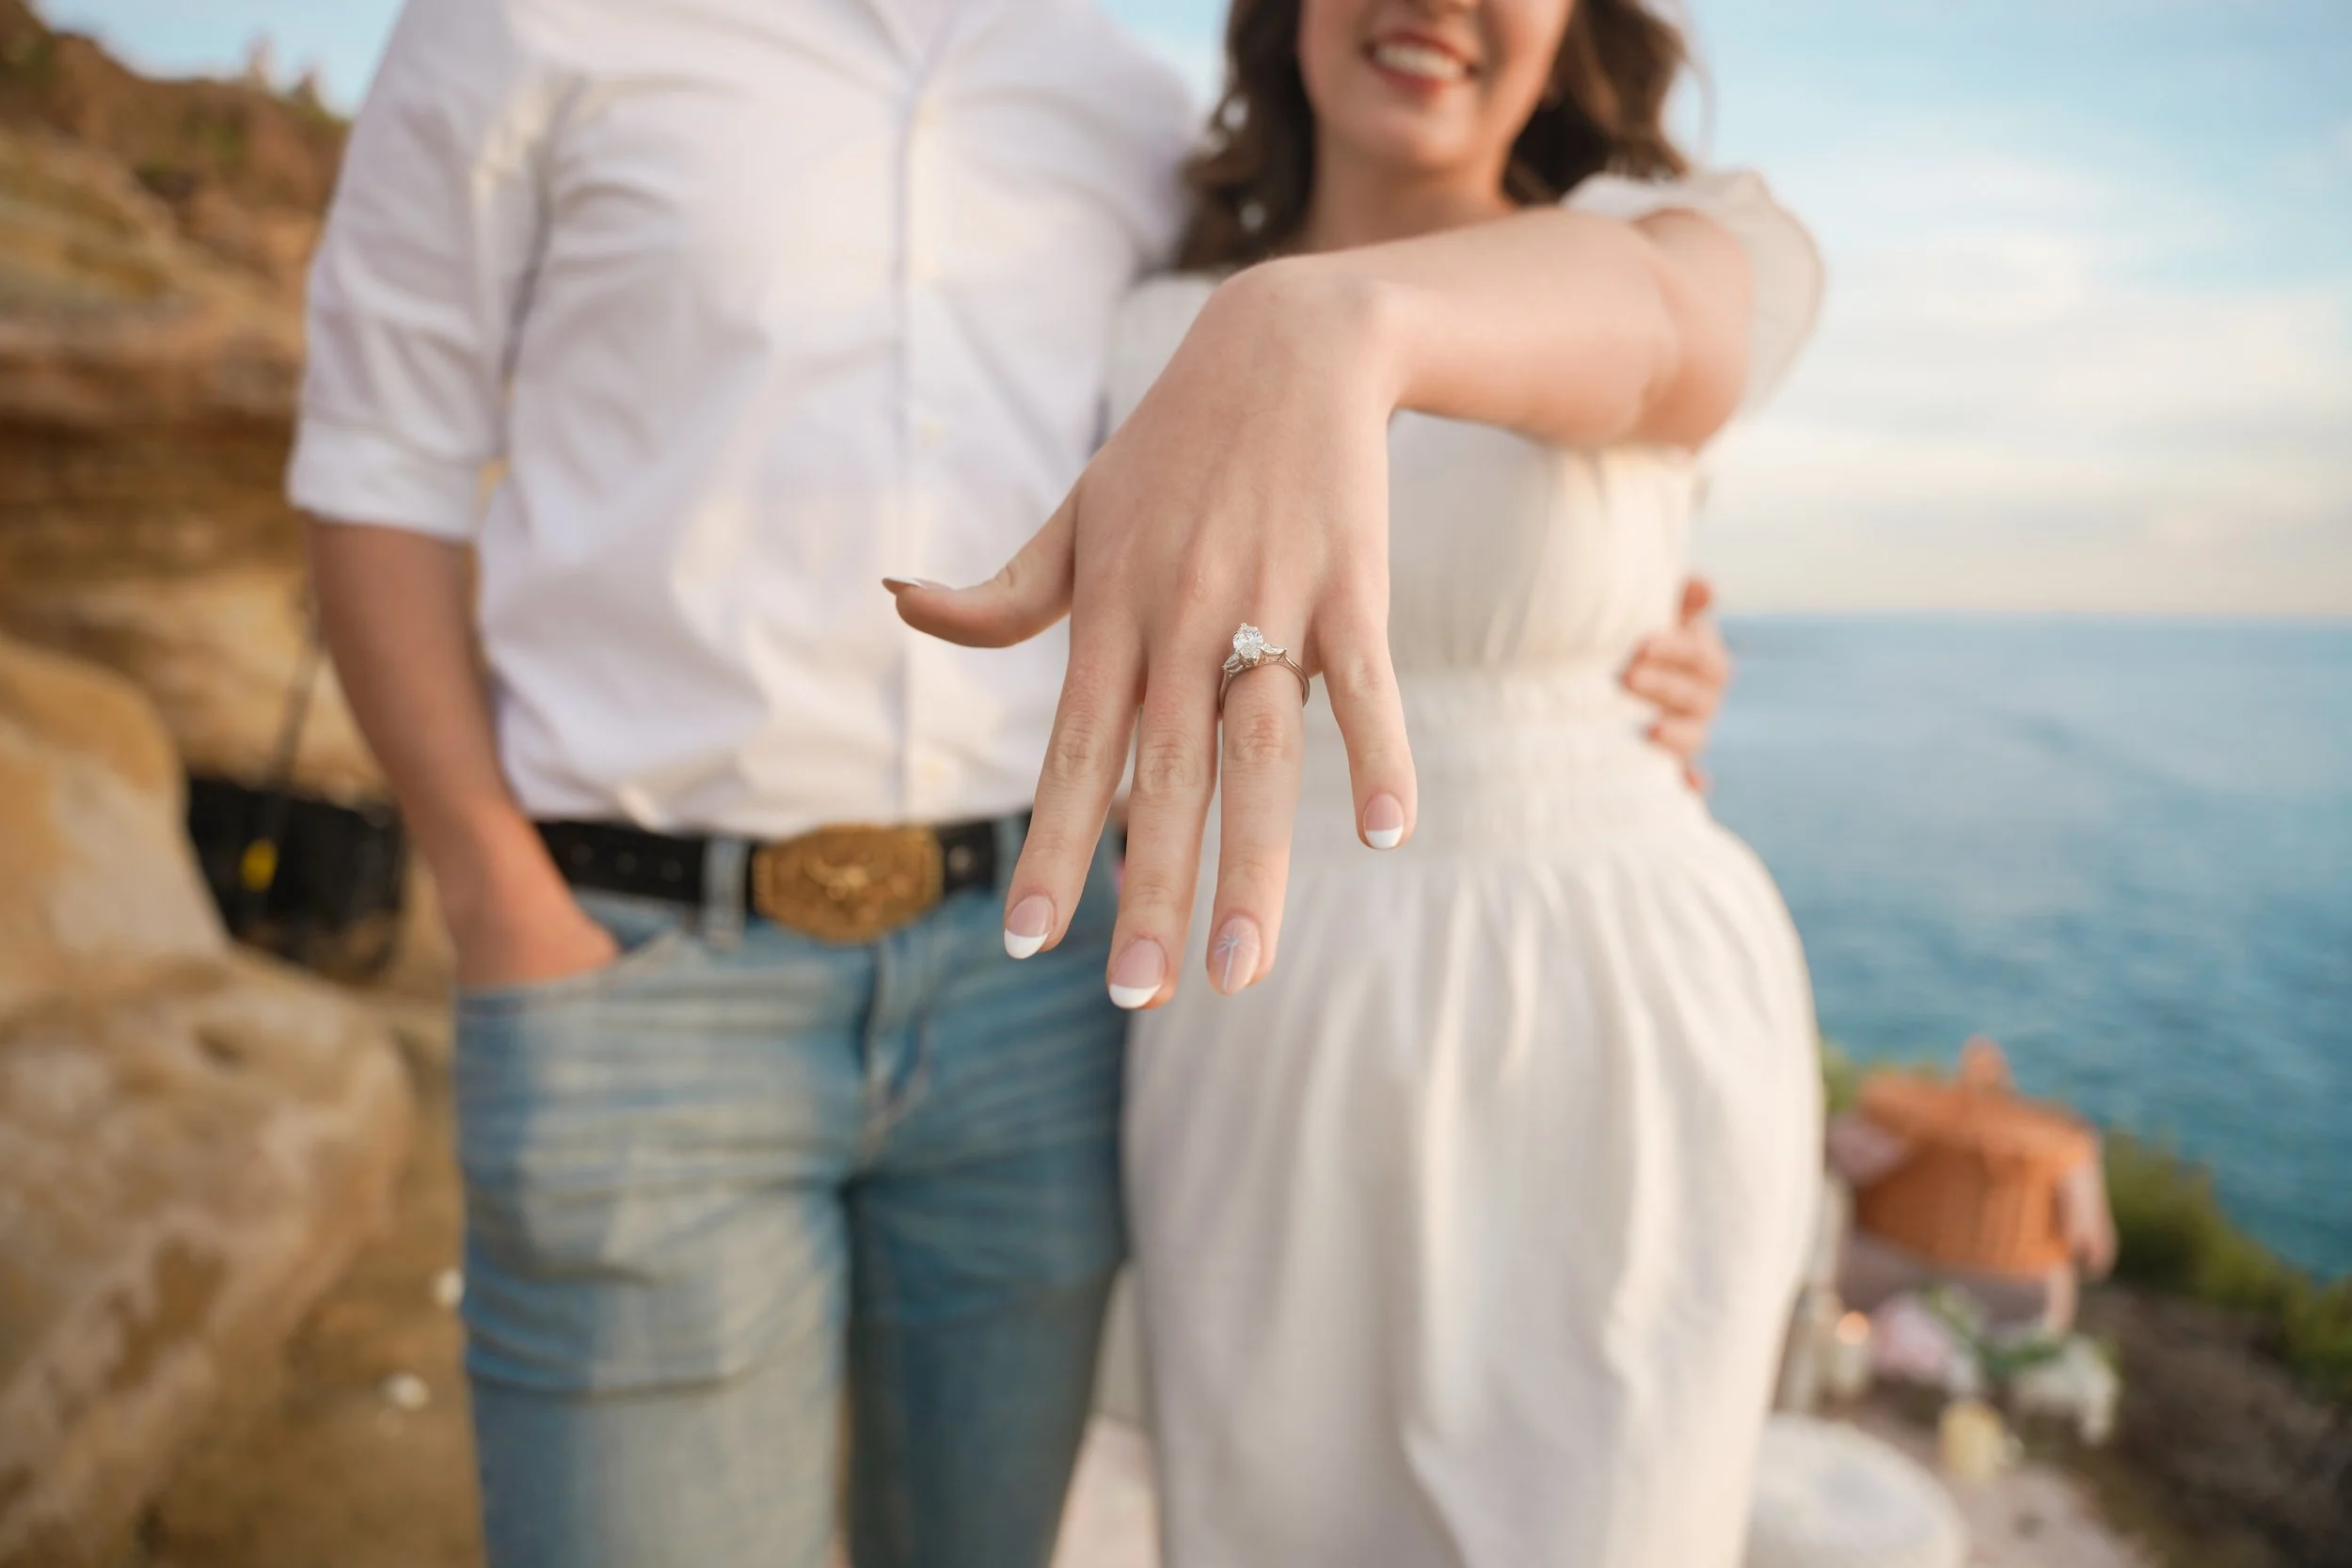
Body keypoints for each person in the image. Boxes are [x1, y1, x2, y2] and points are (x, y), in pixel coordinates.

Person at [293, 0, 1735, 1564]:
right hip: (642, 971)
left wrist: (1599, 641)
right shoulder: (523, 26)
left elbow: (1273, 467)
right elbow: (379, 459)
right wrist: (496, 897)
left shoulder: (1125, 110)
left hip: (1036, 996)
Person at [893, 0, 1826, 1561]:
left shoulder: (1669, 240)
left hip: (1605, 1010)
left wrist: (1328, 316)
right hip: (1261, 1012)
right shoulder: (1142, 322)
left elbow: (1667, 333)